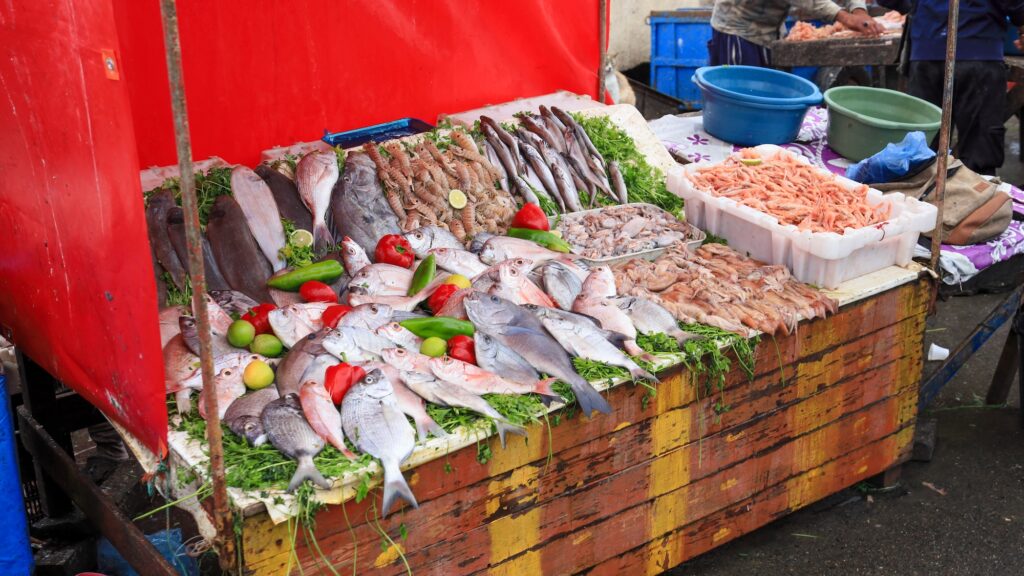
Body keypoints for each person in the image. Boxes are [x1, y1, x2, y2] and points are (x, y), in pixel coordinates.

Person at [879, 1, 1024, 175]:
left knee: (922, 149)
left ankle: (922, 194)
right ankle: (976, 196)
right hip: (978, 51)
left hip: (927, 52)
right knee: (978, 152)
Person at [709, 1, 884, 67]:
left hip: (770, 31)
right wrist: (845, 17)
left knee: (767, 92)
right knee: (742, 94)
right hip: (738, 30)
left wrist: (859, 10)